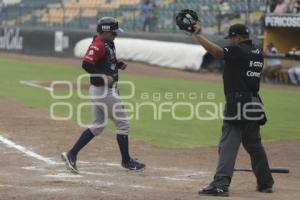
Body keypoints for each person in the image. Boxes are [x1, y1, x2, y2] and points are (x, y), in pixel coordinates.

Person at [192, 23, 274, 196]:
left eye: (232, 38)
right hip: (254, 102)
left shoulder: (238, 50)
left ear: (237, 37)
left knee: (228, 143)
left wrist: (198, 36)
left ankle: (220, 184)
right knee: (254, 144)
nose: (231, 41)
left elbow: (217, 53)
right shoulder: (258, 51)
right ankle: (266, 182)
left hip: (238, 102)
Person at [61, 17, 146, 174]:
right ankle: (126, 161)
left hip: (101, 91)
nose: (116, 35)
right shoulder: (99, 44)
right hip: (103, 91)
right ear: (106, 31)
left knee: (98, 126)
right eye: (114, 32)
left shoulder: (107, 43)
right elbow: (86, 64)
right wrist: (102, 76)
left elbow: (105, 62)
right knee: (123, 123)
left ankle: (71, 153)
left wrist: (117, 64)